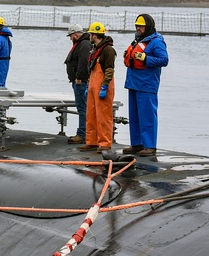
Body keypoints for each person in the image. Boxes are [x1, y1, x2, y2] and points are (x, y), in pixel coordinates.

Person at [122, 13, 170, 157]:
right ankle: (137, 144)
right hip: (133, 83)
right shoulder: (137, 41)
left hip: (147, 85)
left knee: (147, 116)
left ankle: (150, 146)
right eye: (137, 26)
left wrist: (146, 58)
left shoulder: (156, 42)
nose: (138, 28)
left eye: (141, 26)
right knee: (135, 116)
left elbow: (164, 60)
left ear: (148, 27)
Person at [79, 22, 116, 152]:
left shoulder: (108, 50)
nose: (89, 36)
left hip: (102, 86)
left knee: (103, 116)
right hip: (93, 86)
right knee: (91, 115)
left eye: (90, 34)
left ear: (94, 35)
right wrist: (89, 85)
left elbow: (109, 70)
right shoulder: (95, 49)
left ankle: (105, 143)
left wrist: (105, 86)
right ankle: (92, 141)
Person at [64, 23, 92, 144]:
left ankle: (82, 134)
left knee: (82, 108)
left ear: (75, 34)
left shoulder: (84, 44)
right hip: (79, 81)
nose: (70, 38)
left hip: (81, 82)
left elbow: (83, 62)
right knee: (82, 107)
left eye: (71, 36)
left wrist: (79, 77)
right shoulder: (82, 43)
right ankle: (84, 132)